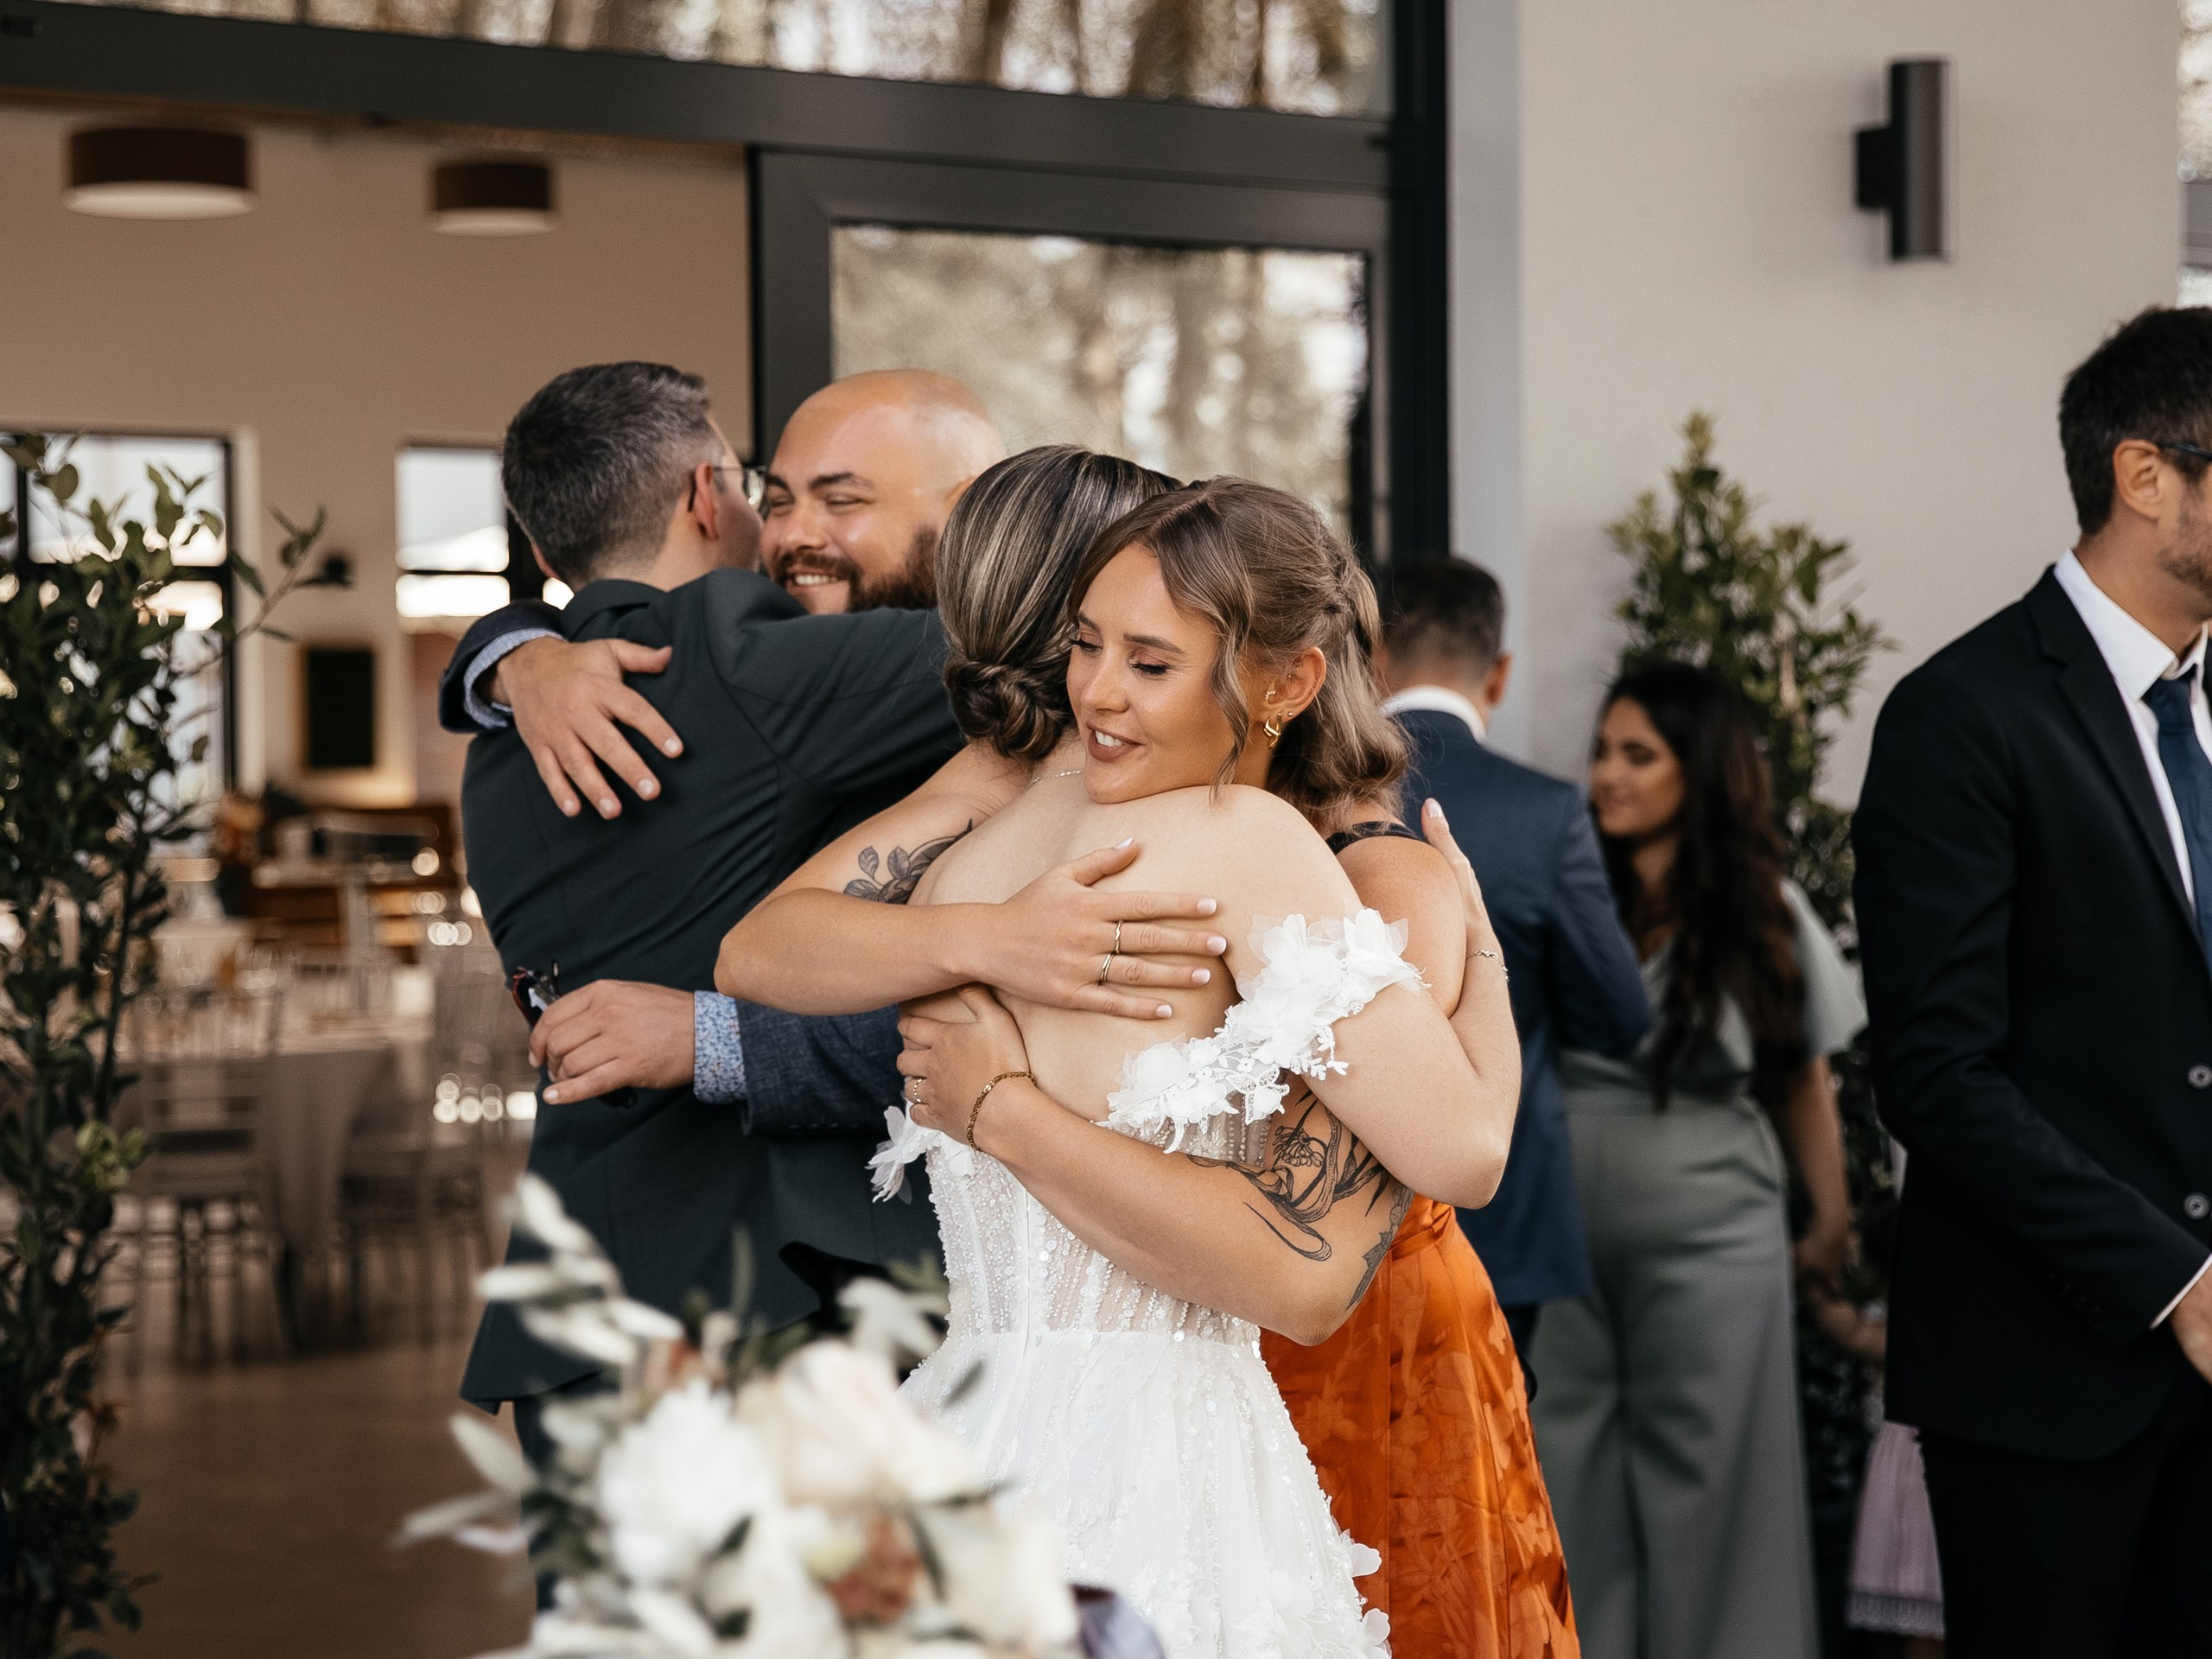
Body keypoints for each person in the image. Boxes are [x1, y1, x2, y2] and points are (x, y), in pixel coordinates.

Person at [721, 478, 1577, 1658]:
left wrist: (982, 979)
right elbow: (1467, 1154)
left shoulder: (999, 816)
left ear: (1285, 682)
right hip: (1159, 1453)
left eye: (1149, 663)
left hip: (965, 1431)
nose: (1098, 694)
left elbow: (758, 949)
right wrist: (1475, 939)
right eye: (1087, 647)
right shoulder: (1249, 843)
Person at [452, 371, 1207, 1480]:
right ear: (710, 495)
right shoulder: (763, 665)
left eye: (838, 502)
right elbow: (1064, 633)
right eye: (779, 494)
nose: (794, 532)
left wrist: (509, 651)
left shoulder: (502, 739)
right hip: (763, 1302)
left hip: (578, 1305)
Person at [1853, 304, 2212, 1656]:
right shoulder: (1961, 716)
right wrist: (2183, 1284)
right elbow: (1937, 1077)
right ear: (2145, 475)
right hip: (2045, 1378)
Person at [1530, 663, 1860, 1659]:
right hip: (1564, 1221)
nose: (1606, 776)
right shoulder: (1563, 889)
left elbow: (1803, 1077)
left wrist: (1832, 1219)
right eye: (1599, 752)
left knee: (1716, 1474)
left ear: (1701, 771)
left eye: (1639, 755)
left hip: (1715, 1219)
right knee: (1566, 1461)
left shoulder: (1761, 907)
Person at [1377, 558, 1649, 1376]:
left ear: (1372, 656)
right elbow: (1619, 1016)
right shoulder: (1548, 813)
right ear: (1499, 673)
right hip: (1499, 1207)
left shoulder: (1306, 793)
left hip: (1327, 1202)